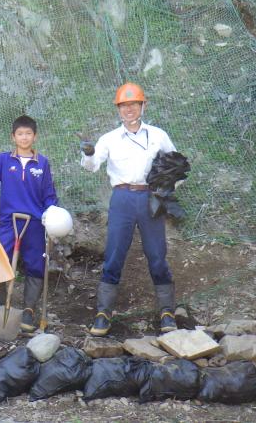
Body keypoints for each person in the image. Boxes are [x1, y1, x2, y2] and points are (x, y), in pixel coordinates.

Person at [80, 82, 178, 336]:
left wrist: (167, 186)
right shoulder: (109, 139)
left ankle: (167, 311)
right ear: (118, 110)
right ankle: (103, 313)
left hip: (149, 197)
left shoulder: (158, 135)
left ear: (143, 106)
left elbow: (178, 167)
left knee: (157, 254)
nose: (129, 110)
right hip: (122, 198)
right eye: (124, 105)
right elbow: (91, 167)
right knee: (114, 254)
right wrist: (89, 153)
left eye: (133, 104)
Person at [0, 115, 59, 333]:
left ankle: (29, 311)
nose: (24, 137)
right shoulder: (4, 160)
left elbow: (49, 195)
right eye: (20, 134)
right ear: (13, 137)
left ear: (35, 136)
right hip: (8, 222)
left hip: (34, 223)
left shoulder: (43, 163)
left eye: (28, 133)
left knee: (35, 265)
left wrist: (51, 213)